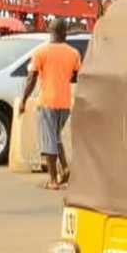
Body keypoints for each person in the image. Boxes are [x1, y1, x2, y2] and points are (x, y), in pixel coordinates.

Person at [19, 18, 81, 190]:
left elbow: (31, 79)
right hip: (65, 103)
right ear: (64, 32)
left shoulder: (41, 52)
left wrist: (23, 100)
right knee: (55, 137)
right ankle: (65, 168)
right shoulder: (74, 53)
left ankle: (53, 180)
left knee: (49, 141)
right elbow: (76, 76)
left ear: (50, 32)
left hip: (47, 101)